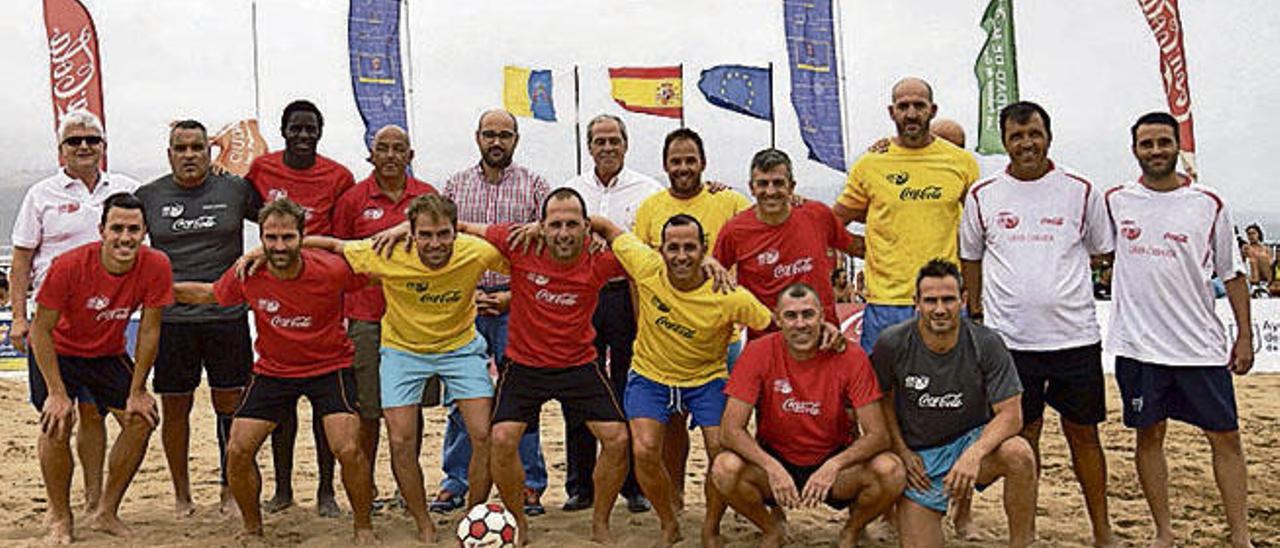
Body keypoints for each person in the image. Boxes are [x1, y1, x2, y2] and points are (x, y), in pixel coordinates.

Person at [958, 101, 1116, 546]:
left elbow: (1102, 249)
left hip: (1075, 337)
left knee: (1083, 435)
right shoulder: (983, 194)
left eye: (1034, 134)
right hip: (1010, 342)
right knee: (1022, 439)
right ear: (1005, 142)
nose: (1026, 144)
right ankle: (1022, 536)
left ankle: (1103, 531)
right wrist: (976, 315)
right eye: (1016, 136)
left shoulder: (1081, 190)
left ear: (1048, 136)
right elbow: (971, 257)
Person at [172, 198, 374, 542]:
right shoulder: (249, 273)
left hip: (330, 367)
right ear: (261, 238)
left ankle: (363, 527)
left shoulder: (332, 269)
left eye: (288, 238)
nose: (279, 246)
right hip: (274, 371)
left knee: (348, 448)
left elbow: (382, 271)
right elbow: (208, 295)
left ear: (302, 236)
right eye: (271, 238)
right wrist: (151, 288)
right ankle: (252, 527)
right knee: (237, 448)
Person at [307, 194, 500, 543]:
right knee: (400, 439)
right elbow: (334, 246)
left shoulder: (476, 251)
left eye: (443, 234)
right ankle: (422, 522)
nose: (435, 243)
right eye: (425, 234)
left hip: (460, 347)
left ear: (455, 232)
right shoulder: (388, 252)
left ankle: (473, 516)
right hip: (402, 351)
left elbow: (528, 259)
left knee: (484, 435)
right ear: (411, 233)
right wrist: (260, 250)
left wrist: (507, 298)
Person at [1105, 112, 1255, 547]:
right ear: (1134, 149)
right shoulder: (1116, 200)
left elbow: (1232, 273)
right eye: (1147, 144)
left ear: (1178, 146)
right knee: (1148, 437)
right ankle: (1163, 532)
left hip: (1200, 348)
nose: (1156, 151)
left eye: (1163, 143)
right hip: (1139, 348)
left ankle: (1241, 536)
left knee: (1226, 438)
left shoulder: (1208, 203)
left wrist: (1243, 335)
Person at [456, 188, 631, 544]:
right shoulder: (520, 244)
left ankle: (600, 522)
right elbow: (459, 226)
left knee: (617, 439)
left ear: (585, 227)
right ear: (541, 226)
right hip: (525, 365)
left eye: (572, 224)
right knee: (501, 440)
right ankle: (518, 521)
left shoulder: (599, 258)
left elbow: (641, 250)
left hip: (578, 364)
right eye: (555, 224)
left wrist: (600, 224)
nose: (563, 233)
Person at [590, 212, 771, 546]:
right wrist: (545, 225)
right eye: (673, 248)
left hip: (706, 379)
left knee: (720, 449)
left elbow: (771, 326)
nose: (681, 255)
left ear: (704, 249)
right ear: (660, 250)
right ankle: (668, 521)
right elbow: (605, 225)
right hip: (651, 376)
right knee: (644, 449)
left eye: (690, 247)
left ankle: (711, 526)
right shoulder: (645, 265)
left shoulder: (728, 293)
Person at [11, 110, 140, 519]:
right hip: (54, 324)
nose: (84, 146)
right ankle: (57, 510)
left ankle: (95, 500)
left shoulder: (125, 189)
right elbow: (21, 260)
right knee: (59, 418)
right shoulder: (41, 194)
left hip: (104, 325)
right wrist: (18, 317)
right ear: (60, 149)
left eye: (92, 139)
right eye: (74, 141)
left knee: (96, 413)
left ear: (103, 145)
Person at [711, 283, 904, 548]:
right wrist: (771, 467)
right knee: (724, 468)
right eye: (791, 316)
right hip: (775, 458)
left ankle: (851, 530)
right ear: (778, 319)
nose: (800, 323)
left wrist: (833, 465)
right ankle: (770, 529)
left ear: (822, 317)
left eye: (808, 314)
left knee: (891, 470)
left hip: (835, 463)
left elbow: (878, 435)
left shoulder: (850, 356)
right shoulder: (757, 352)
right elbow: (730, 430)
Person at [135, 120, 262, 518]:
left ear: (211, 152)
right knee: (176, 408)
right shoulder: (148, 196)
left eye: (197, 148)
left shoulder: (235, 189)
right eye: (181, 147)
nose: (189, 155)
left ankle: (229, 488)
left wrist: (259, 264)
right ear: (169, 153)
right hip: (171, 321)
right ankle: (181, 494)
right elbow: (122, 249)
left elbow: (281, 225)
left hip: (226, 316)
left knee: (230, 405)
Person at [30, 192, 171, 543]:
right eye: (117, 228)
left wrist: (138, 390)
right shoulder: (68, 265)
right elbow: (40, 330)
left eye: (133, 230)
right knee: (58, 422)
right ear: (102, 230)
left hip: (106, 353)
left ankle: (106, 511)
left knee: (143, 420)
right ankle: (61, 517)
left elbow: (150, 330)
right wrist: (57, 393)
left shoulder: (156, 265)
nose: (125, 237)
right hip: (58, 351)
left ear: (144, 232)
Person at [871, 259, 1037, 547]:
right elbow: (880, 403)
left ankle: (1021, 543)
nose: (939, 309)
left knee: (1019, 453)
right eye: (930, 300)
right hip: (921, 458)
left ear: (963, 300)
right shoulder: (892, 343)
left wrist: (974, 453)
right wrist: (903, 451)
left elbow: (1011, 415)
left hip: (969, 443)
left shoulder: (986, 342)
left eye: (948, 299)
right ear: (916, 303)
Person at [243, 99, 356, 516]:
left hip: (322, 284)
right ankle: (283, 489)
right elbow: (246, 209)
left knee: (326, 404)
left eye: (311, 129)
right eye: (296, 128)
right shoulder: (262, 169)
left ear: (320, 133)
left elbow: (344, 234)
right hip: (275, 276)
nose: (304, 135)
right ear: (284, 130)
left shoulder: (339, 175)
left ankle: (326, 491)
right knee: (281, 402)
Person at [435, 108, 549, 515]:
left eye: (504, 134)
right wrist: (464, 298)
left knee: (521, 396)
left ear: (516, 139)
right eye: (489, 134)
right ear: (477, 137)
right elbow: (441, 248)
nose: (496, 142)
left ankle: (529, 484)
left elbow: (546, 256)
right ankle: (456, 480)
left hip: (517, 308)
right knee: (462, 398)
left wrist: (513, 297)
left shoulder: (536, 187)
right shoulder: (454, 186)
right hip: (465, 309)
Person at [633, 127, 753, 508]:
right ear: (665, 165)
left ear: (703, 163)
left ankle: (729, 504)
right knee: (670, 426)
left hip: (724, 340)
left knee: (726, 435)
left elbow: (765, 227)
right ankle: (677, 495)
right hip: (666, 341)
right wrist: (643, 324)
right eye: (676, 161)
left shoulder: (730, 201)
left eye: (690, 160)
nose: (683, 168)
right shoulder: (651, 208)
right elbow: (641, 277)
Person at [557, 114, 662, 513]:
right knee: (577, 385)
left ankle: (633, 485)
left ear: (626, 143)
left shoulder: (648, 190)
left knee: (629, 388)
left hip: (627, 297)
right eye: (599, 140)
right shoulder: (571, 190)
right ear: (589, 146)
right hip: (582, 297)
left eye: (613, 140)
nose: (606, 147)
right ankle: (580, 485)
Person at [832, 78, 980, 353]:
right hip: (887, 302)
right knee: (881, 389)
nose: (911, 113)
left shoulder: (962, 163)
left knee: (949, 388)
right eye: (904, 106)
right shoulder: (870, 164)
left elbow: (980, 230)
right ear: (892, 112)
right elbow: (832, 222)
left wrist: (975, 298)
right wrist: (862, 248)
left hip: (942, 298)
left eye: (919, 105)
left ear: (932, 110)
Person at [330, 124, 437, 501]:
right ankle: (369, 485)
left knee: (411, 409)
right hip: (367, 319)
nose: (391, 155)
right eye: (383, 148)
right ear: (370, 155)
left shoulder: (427, 196)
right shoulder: (352, 199)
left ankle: (407, 487)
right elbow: (338, 257)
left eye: (399, 148)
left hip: (416, 321)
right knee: (369, 409)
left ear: (410, 156)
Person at [714, 148, 865, 338]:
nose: (770, 191)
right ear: (751, 187)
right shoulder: (735, 231)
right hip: (768, 343)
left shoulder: (817, 215)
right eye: (762, 184)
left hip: (823, 338)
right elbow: (711, 281)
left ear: (791, 186)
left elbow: (858, 248)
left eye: (778, 183)